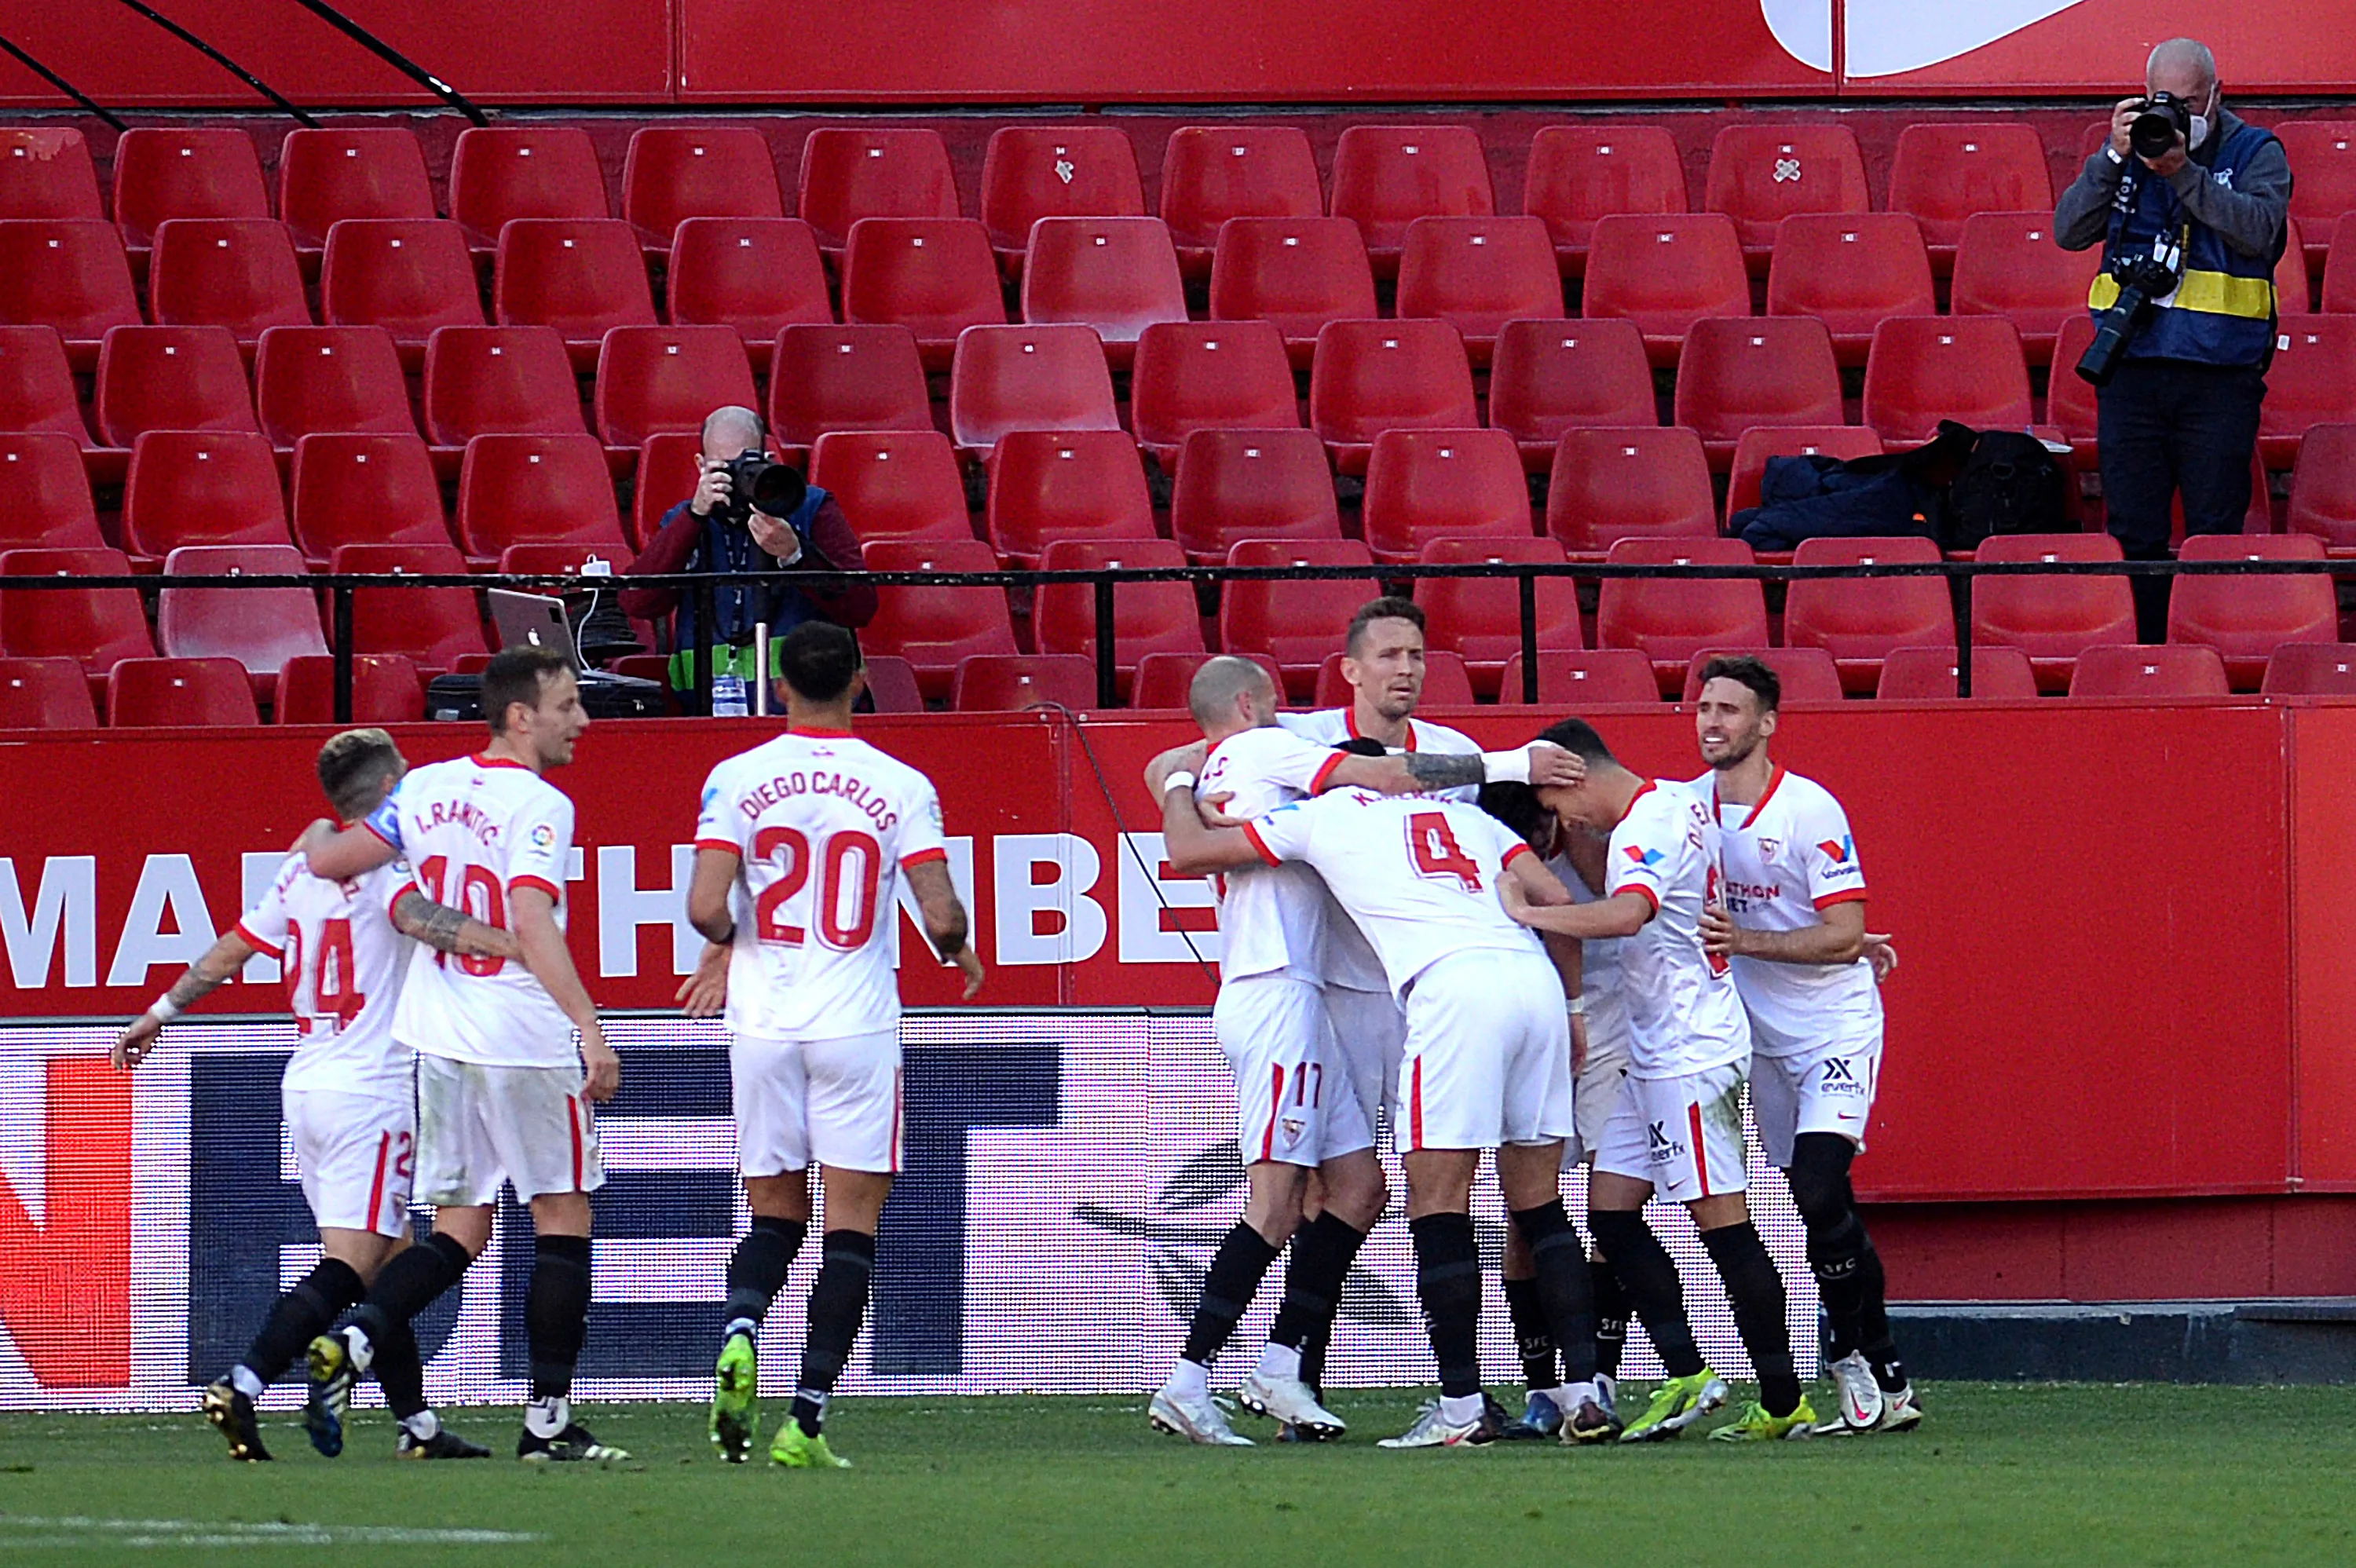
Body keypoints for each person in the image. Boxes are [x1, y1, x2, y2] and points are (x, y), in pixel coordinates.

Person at [1143, 657, 1580, 1446]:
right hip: (1274, 985)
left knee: (1358, 1184)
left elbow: (1191, 801)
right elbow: (1376, 770)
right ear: (1249, 705)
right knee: (1276, 1200)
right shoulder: (1269, 750)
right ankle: (1189, 1376)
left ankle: (1279, 1365)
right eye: (1274, 702)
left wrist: (1173, 778)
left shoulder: (1237, 767)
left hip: (1307, 991)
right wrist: (1516, 762)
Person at [111, 729, 513, 1464]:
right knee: (353, 1268)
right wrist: (509, 940)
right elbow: (427, 923)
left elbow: (231, 949)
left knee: (390, 1259)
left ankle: (416, 1425)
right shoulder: (391, 874)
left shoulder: (300, 873)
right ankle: (244, 1379)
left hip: (309, 1085)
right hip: (372, 1092)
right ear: (390, 790)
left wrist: (159, 1012)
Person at [298, 646, 627, 1464]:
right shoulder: (541, 804)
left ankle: (359, 1340)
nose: (582, 719)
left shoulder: (424, 786)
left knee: (460, 1224)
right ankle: (547, 1425)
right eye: (569, 704)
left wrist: (312, 830)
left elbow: (332, 861)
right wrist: (588, 1023)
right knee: (562, 1213)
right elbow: (531, 918)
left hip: (438, 1040)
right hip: (520, 1036)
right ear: (522, 716)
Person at [685, 621, 985, 1469]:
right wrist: (956, 947)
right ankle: (805, 1419)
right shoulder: (898, 782)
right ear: (858, 680)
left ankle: (742, 1326)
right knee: (852, 1226)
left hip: (764, 1023)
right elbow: (942, 913)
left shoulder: (737, 776)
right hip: (853, 1022)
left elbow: (706, 907)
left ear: (780, 684)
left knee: (774, 1212)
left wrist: (731, 940)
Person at [1505, 718, 1816, 1443]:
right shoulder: (1677, 801)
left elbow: (1629, 911)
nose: (1562, 822)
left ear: (1572, 775)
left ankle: (1781, 1399)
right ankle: (1688, 1371)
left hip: (1690, 1051)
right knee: (1610, 1214)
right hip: (1651, 1048)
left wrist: (1530, 910)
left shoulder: (1648, 825)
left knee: (1724, 1224)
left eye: (1554, 802)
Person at [1689, 656, 1920, 1435]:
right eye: (1705, 706)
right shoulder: (1687, 810)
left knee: (1820, 1187)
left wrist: (1747, 937)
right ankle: (1888, 1367)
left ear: (1766, 723)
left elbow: (1845, 932)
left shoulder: (1808, 810)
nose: (1712, 721)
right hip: (1753, 1036)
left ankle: (1851, 1352)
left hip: (1831, 1023)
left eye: (1730, 708)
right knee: (1819, 1200)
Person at [2054, 38, 2292, 641]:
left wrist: (2184, 173)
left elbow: (2260, 232)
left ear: (2216, 94)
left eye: (2190, 102)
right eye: (2168, 102)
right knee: (2134, 529)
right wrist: (2112, 155)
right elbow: (2068, 230)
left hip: (2219, 376)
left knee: (2214, 529)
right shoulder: (2130, 150)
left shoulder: (2254, 151)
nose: (2178, 117)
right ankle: (2149, 654)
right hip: (2131, 369)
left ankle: (2213, 649)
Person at [1477, 782, 1639, 1442]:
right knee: (1526, 1209)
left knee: (1610, 1205)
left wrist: (1575, 836)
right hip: (1529, 1035)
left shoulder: (1596, 848)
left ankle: (1598, 1374)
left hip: (1606, 1028)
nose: (1547, 835)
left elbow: (1605, 895)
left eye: (1554, 820)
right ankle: (1541, 1383)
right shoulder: (1482, 867)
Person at [620, 405, 876, 707]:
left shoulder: (810, 507)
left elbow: (861, 606)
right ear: (701, 466)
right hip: (706, 713)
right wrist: (694, 517)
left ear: (767, 459)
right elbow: (639, 602)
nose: (738, 476)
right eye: (724, 467)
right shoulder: (685, 522)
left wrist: (796, 555)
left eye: (747, 463)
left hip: (809, 713)